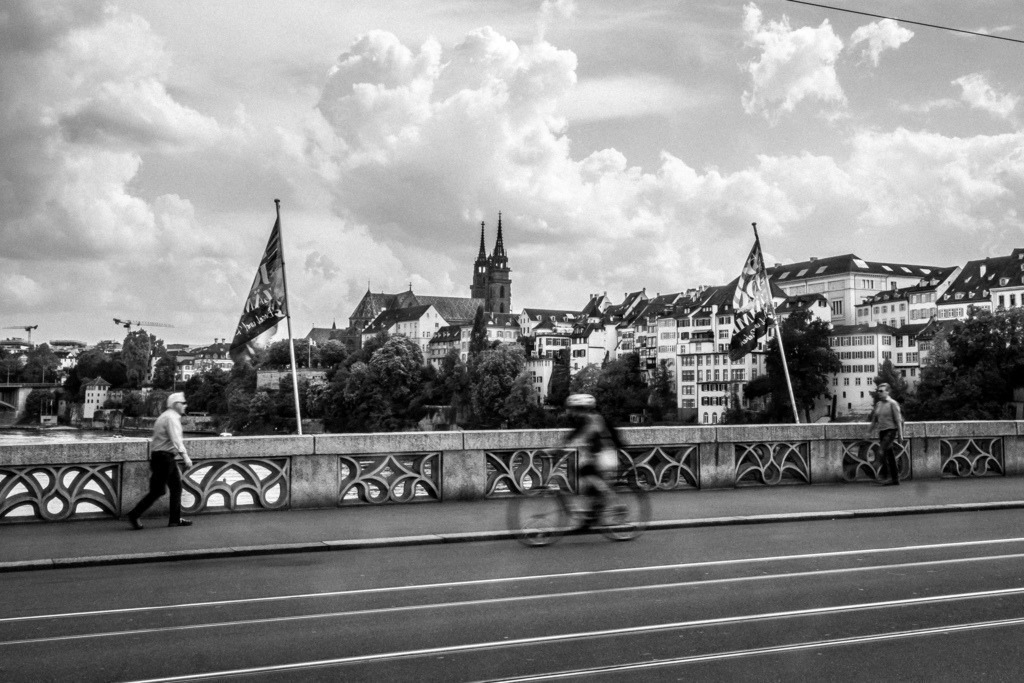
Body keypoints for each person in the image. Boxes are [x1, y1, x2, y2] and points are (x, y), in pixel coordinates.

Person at [126, 392, 194, 529]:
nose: (185, 405)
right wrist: (185, 457)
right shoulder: (171, 418)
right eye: (183, 403)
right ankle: (134, 514)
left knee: (176, 488)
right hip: (164, 458)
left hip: (163, 457)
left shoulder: (166, 416)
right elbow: (176, 440)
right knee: (158, 491)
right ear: (176, 405)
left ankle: (175, 519)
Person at [563, 393, 622, 526]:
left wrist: (566, 446)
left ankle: (613, 501)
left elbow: (585, 434)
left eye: (575, 409)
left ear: (582, 409)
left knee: (586, 473)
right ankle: (590, 516)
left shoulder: (594, 419)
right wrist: (559, 447)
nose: (572, 413)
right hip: (599, 456)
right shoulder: (584, 420)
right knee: (585, 483)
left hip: (605, 456)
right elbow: (572, 436)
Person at [868, 383, 905, 486]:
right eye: (878, 391)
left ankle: (886, 475)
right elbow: (874, 420)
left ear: (887, 391)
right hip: (882, 431)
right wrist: (868, 432)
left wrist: (900, 435)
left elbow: (898, 420)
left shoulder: (893, 403)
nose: (879, 393)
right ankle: (894, 478)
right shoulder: (879, 404)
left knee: (881, 451)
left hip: (891, 431)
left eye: (881, 391)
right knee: (889, 454)